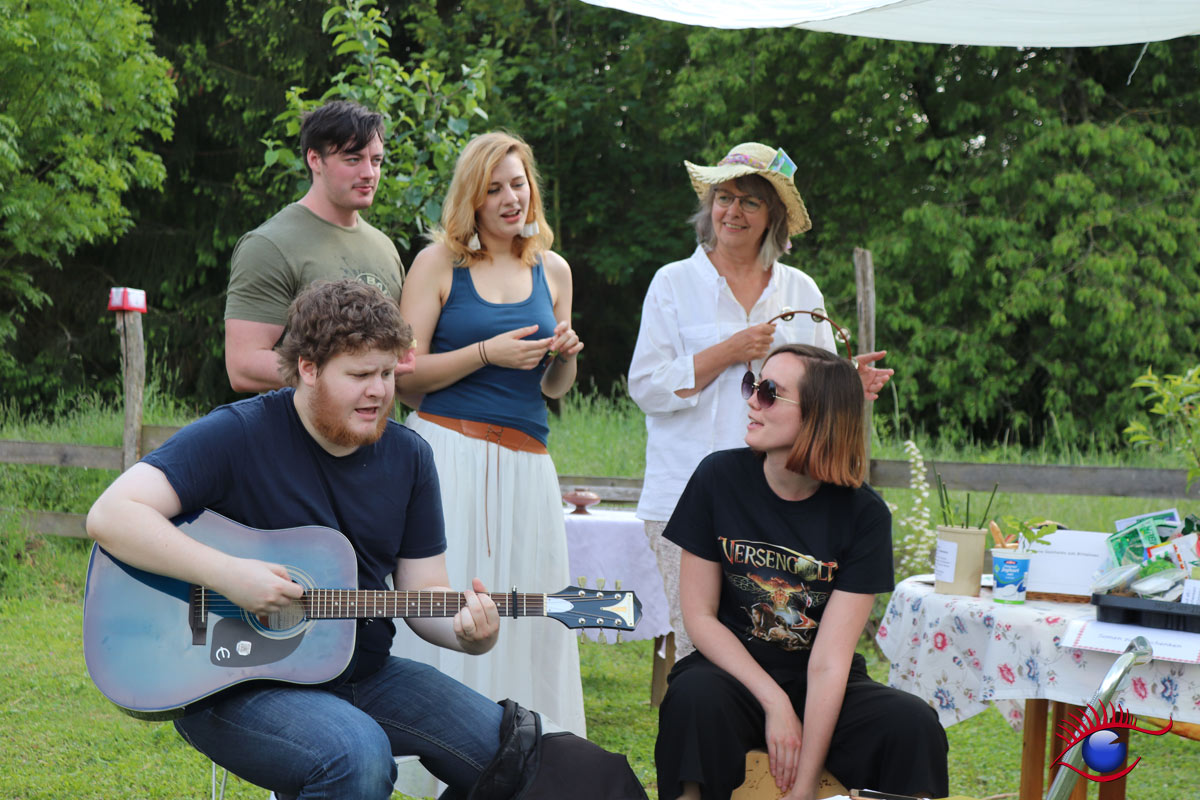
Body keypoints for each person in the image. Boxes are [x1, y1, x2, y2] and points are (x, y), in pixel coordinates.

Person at [86, 279, 504, 799]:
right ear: (308, 368)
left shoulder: (410, 458)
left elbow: (425, 595)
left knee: (507, 750)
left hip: (363, 671)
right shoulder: (238, 434)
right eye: (359, 375)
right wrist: (228, 575)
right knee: (356, 756)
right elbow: (111, 514)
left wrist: (468, 632)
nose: (379, 390)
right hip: (227, 681)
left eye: (387, 373)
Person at [628, 141, 894, 660]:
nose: (733, 211)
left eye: (750, 201)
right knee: (698, 648)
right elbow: (648, 389)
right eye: (724, 197)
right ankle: (703, 737)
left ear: (773, 215)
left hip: (784, 504)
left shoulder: (800, 292)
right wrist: (728, 351)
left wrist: (846, 387)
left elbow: (815, 404)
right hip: (686, 499)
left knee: (781, 641)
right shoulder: (672, 284)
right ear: (709, 207)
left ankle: (783, 733)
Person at [655, 344, 948, 800]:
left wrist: (804, 786)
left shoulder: (864, 515)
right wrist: (774, 702)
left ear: (819, 415)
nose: (751, 400)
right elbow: (700, 617)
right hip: (735, 673)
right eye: (753, 385)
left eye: (770, 393)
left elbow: (830, 661)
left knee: (911, 723)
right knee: (694, 699)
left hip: (825, 682)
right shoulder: (718, 478)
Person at [391, 131, 587, 737]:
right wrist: (483, 352)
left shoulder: (553, 270)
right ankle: (429, 749)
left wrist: (565, 356)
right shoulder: (438, 264)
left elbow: (555, 389)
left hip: (527, 466)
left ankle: (529, 753)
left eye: (519, 184)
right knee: (449, 604)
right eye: (494, 188)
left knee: (528, 609)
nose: (510, 199)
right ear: (472, 199)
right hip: (448, 453)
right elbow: (402, 375)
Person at [224, 100, 405, 393]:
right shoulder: (269, 245)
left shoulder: (385, 247)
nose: (369, 173)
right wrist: (342, 376)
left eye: (376, 161)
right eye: (353, 159)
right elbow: (243, 366)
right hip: (298, 435)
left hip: (377, 435)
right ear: (314, 159)